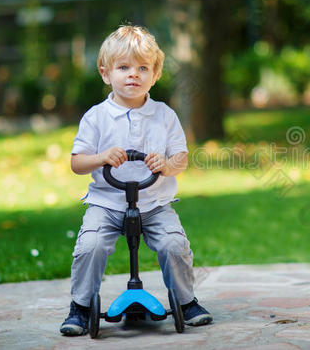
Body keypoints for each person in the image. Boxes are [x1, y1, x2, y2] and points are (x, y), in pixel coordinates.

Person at [60, 25, 212, 336]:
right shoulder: (96, 117)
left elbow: (181, 157)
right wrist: (101, 157)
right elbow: (77, 163)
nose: (134, 75)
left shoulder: (164, 115)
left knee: (174, 244)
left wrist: (167, 166)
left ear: (155, 75)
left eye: (143, 68)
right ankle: (81, 306)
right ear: (106, 73)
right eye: (124, 67)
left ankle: (186, 301)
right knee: (90, 245)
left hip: (154, 203)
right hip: (107, 203)